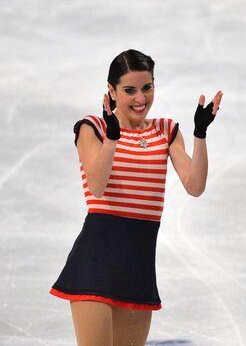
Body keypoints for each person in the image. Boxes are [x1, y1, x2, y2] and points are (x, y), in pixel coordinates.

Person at [50, 49, 223, 346]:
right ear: (112, 91)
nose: (140, 98)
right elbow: (97, 186)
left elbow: (194, 186)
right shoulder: (93, 128)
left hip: (137, 268)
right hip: (95, 264)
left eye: (147, 88)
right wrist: (114, 138)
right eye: (129, 90)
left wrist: (200, 134)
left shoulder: (165, 131)